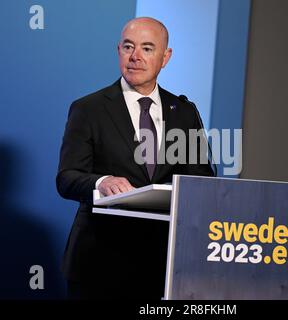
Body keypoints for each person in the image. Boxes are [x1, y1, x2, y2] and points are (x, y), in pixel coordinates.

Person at [56, 17, 214, 299]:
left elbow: (201, 178)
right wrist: (101, 182)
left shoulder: (185, 112)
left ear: (166, 57)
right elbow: (67, 178)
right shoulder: (88, 109)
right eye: (128, 47)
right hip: (99, 263)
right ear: (119, 51)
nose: (135, 57)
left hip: (162, 264)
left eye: (147, 48)